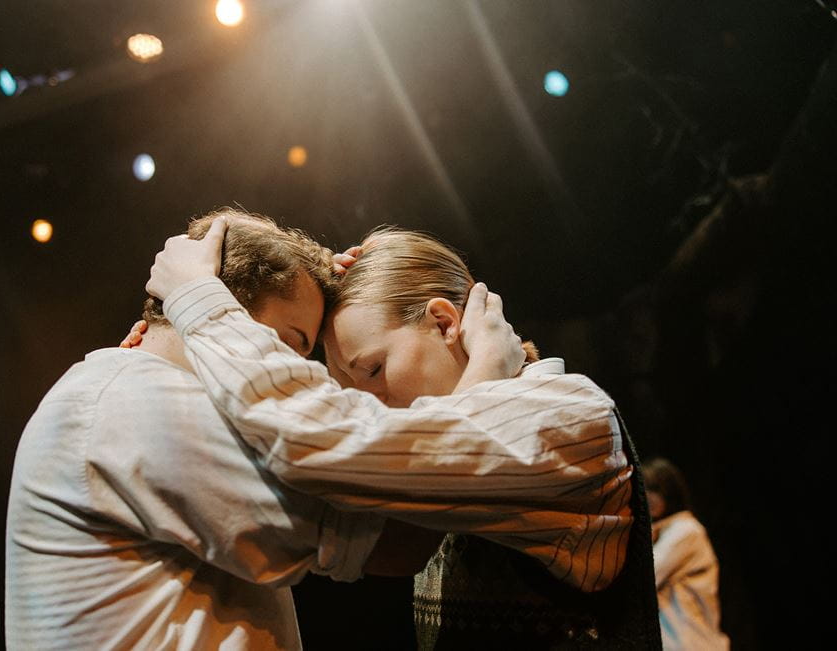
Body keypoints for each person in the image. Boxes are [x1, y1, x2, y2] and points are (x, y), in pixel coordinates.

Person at [142, 223, 662, 647]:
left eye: (371, 370)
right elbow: (376, 520)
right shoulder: (445, 444)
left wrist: (198, 300)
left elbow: (313, 441)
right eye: (344, 387)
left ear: (443, 321)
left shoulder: (566, 417)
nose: (364, 404)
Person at [5, 210, 395, 650]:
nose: (290, 372)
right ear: (219, 303)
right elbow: (390, 540)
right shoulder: (142, 402)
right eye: (288, 345)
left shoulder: (119, 387)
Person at [644, 457, 729, 650]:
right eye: (644, 489)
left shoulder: (686, 530)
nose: (648, 497)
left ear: (671, 493)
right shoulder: (662, 532)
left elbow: (648, 575)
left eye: (655, 490)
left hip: (692, 643)